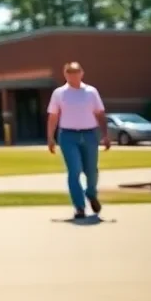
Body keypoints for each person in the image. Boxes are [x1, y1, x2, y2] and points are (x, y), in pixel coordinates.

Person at [47, 61, 110, 219]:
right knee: (74, 170)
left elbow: (100, 114)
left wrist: (105, 134)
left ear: (81, 73)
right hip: (68, 135)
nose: (72, 75)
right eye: (69, 72)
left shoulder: (91, 92)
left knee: (91, 170)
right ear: (65, 74)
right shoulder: (59, 93)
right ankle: (79, 207)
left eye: (75, 72)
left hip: (89, 134)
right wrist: (50, 137)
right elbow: (53, 116)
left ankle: (91, 193)